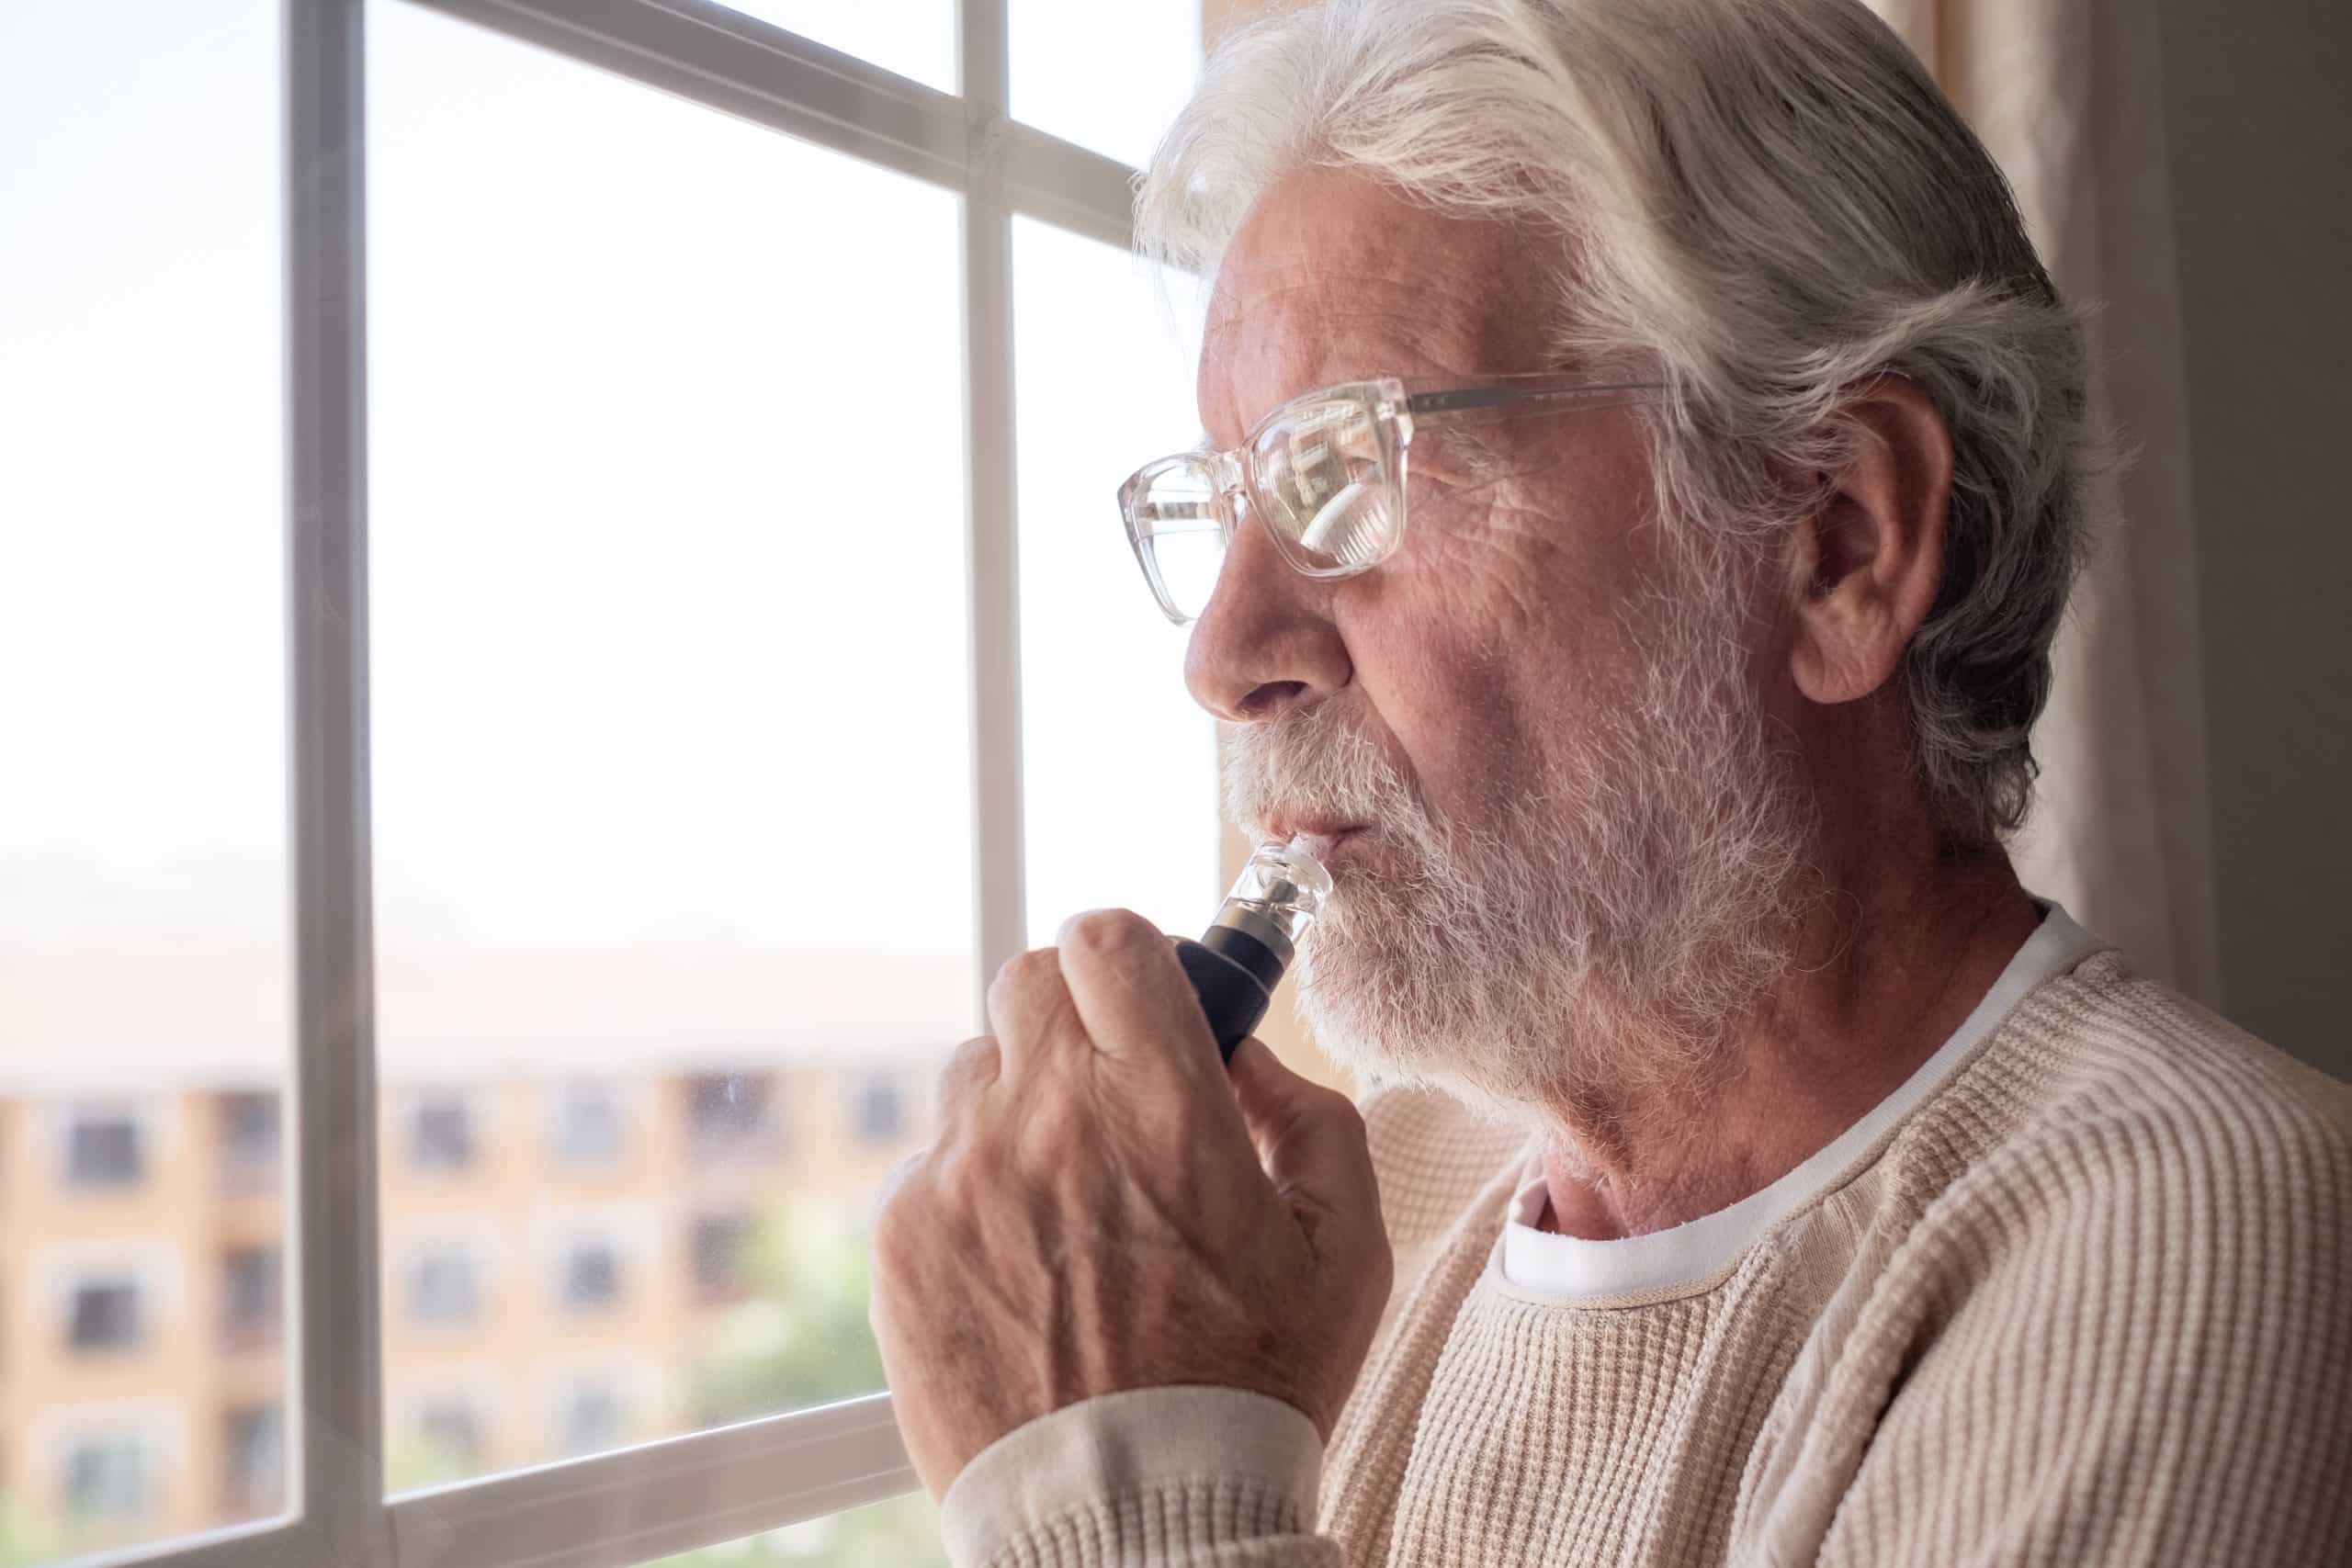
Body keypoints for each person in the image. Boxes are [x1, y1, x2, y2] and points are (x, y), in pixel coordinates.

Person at [867, 0, 2352, 1562]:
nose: (1230, 654)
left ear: (1836, 541)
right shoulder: (1357, 1210)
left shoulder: (2204, 1245)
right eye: (1231, 501)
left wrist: (1135, 1489)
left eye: (1345, 472)